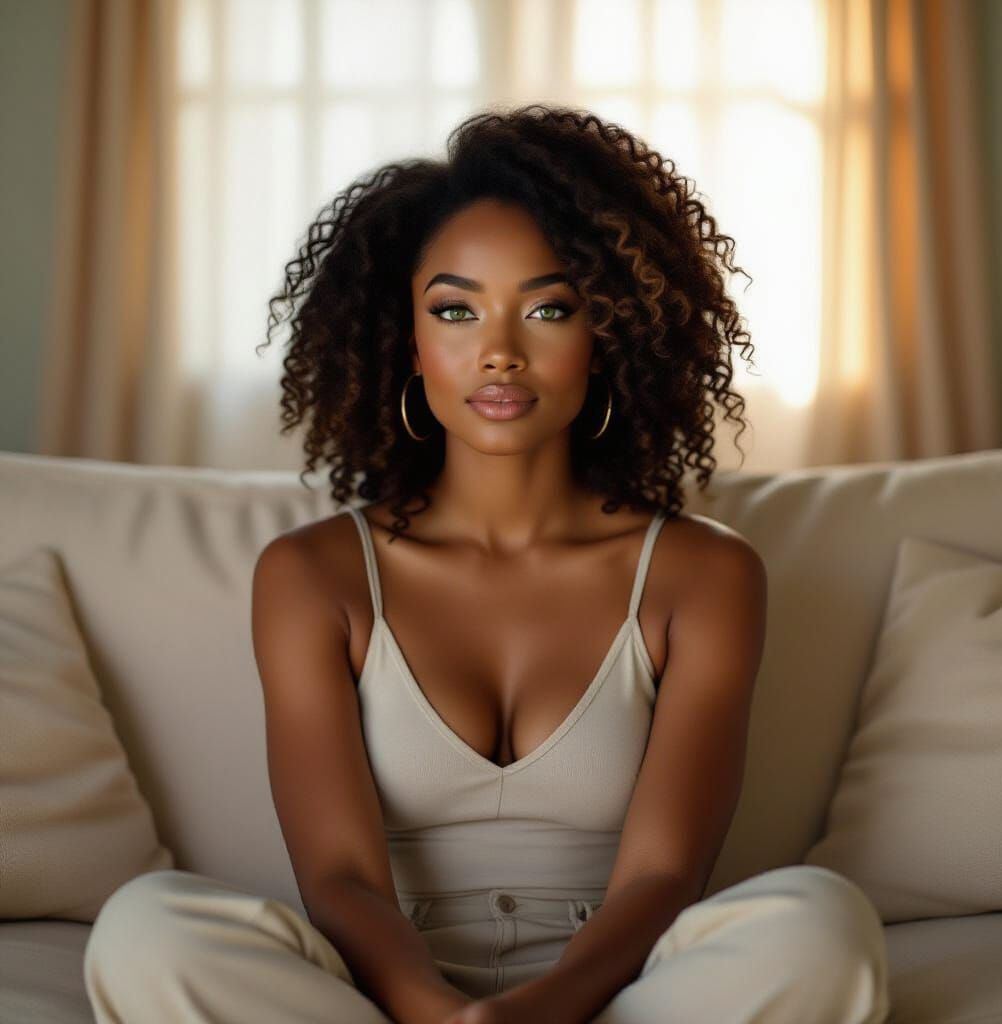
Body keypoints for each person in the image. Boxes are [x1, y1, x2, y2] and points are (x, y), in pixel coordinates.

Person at [84, 103, 890, 1024]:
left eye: (548, 308)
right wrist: (438, 1013)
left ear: (610, 334)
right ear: (408, 342)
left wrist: (533, 1016)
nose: (500, 350)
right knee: (147, 928)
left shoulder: (703, 576)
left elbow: (666, 874)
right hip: (382, 997)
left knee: (822, 923)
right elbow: (342, 878)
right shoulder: (314, 577)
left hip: (622, 995)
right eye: (456, 309)